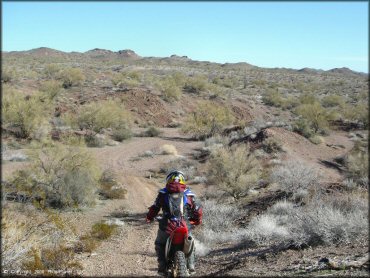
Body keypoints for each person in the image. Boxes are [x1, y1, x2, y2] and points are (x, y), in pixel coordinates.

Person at [146, 170, 203, 276]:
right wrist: (197, 220)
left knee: (159, 244)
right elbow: (198, 210)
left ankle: (162, 269)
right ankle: (191, 266)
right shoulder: (189, 194)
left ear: (168, 180)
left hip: (167, 226)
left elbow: (155, 208)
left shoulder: (163, 193)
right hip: (184, 225)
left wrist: (149, 217)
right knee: (190, 242)